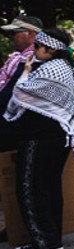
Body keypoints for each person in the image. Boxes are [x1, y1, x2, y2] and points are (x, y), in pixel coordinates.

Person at [5, 27, 74, 249]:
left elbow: (22, 95)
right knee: (47, 188)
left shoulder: (51, 69)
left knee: (32, 188)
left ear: (50, 49)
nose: (34, 50)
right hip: (55, 136)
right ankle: (49, 238)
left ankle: (44, 242)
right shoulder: (63, 66)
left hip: (42, 137)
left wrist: (26, 71)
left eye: (38, 46)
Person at [0, 14, 43, 152]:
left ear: (30, 33)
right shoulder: (19, 57)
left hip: (15, 128)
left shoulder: (35, 60)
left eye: (15, 32)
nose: (12, 37)